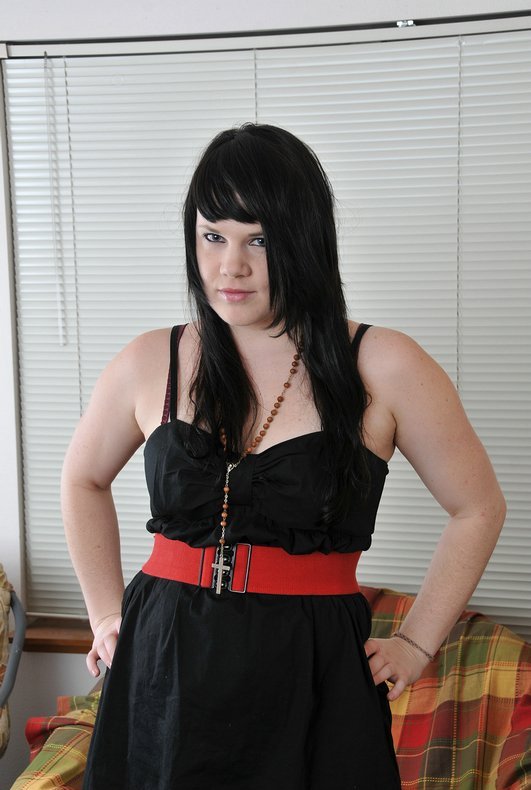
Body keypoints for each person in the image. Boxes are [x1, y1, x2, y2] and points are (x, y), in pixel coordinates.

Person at [61, 123, 506, 790]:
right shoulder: (150, 359)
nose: (230, 266)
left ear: (304, 239)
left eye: (259, 239)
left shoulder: (384, 364)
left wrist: (416, 642)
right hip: (165, 659)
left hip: (312, 665)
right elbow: (82, 480)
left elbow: (478, 506)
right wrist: (103, 614)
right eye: (212, 236)